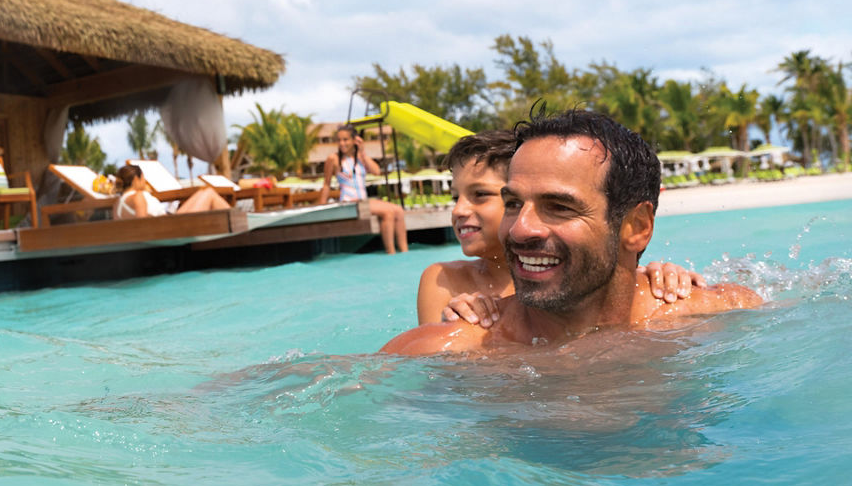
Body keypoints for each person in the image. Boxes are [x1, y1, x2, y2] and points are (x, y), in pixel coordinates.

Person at [383, 108, 762, 355]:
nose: (520, 230)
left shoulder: (715, 314)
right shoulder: (453, 348)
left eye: (559, 207)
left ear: (637, 227)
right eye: (513, 203)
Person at [417, 128, 703, 326]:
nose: (459, 210)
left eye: (480, 195)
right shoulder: (444, 280)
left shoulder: (587, 273)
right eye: (455, 197)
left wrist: (666, 279)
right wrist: (454, 323)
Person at [319, 124, 408, 254]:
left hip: (363, 201)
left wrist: (362, 151)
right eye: (339, 140)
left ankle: (404, 252)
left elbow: (376, 171)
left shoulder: (360, 157)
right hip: (349, 202)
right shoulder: (333, 159)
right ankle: (391, 252)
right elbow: (326, 184)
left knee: (399, 211)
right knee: (388, 213)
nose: (342, 143)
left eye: (345, 139)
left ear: (354, 140)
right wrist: (321, 208)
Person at [114, 164, 230, 218]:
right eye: (143, 178)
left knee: (203, 192)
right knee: (209, 193)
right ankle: (237, 221)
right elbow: (143, 224)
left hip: (170, 221)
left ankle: (234, 219)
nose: (145, 182)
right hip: (171, 227)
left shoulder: (118, 203)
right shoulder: (138, 196)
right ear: (136, 179)